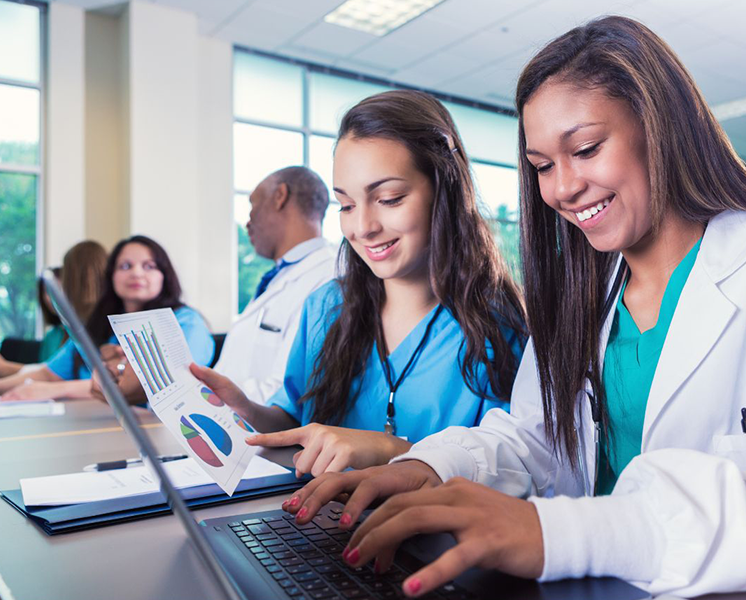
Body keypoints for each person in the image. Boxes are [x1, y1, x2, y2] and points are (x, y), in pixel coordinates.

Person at [281, 16, 746, 599]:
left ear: (660, 127)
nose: (563, 188)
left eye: (586, 148)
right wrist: (430, 467)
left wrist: (560, 534)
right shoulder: (585, 294)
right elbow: (532, 438)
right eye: (543, 166)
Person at [193, 89, 527, 477]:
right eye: (347, 206)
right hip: (317, 524)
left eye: (389, 198)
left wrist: (392, 450)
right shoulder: (326, 307)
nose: (363, 227)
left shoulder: (497, 327)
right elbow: (295, 426)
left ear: (445, 191)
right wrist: (248, 412)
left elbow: (508, 469)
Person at [0, 235, 214, 401]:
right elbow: (49, 373)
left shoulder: (186, 322)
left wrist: (55, 389)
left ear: (164, 275)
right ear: (111, 276)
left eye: (149, 266)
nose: (136, 274)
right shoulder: (100, 324)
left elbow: (167, 381)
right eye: (125, 266)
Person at [213, 166, 337, 404]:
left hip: (262, 431)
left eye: (253, 206)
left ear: (280, 196)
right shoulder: (279, 276)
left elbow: (286, 393)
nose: (247, 221)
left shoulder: (328, 279)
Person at [0, 241, 108, 377]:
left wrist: (6, 368)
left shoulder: (98, 330)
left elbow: (50, 375)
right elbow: (49, 372)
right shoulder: (63, 335)